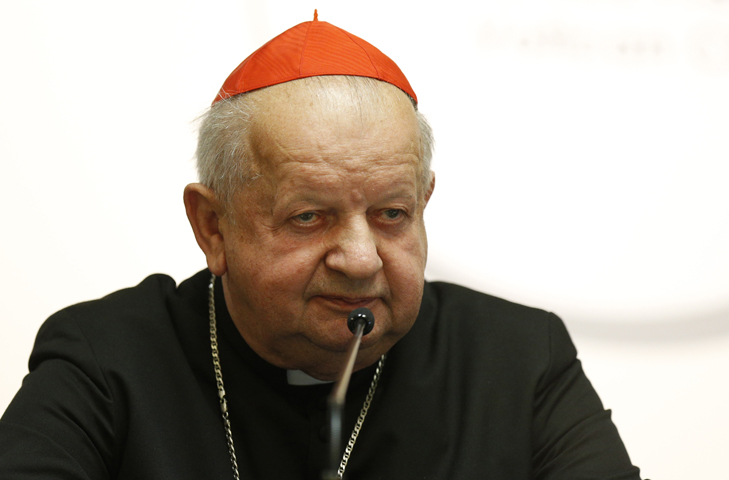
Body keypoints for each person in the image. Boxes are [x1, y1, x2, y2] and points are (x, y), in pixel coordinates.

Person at [0, 13, 642, 480]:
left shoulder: (520, 360)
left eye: (392, 213)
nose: (361, 259)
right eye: (309, 217)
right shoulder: (107, 359)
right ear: (213, 227)